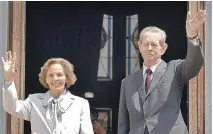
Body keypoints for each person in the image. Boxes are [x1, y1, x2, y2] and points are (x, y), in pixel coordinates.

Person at [117, 10, 206, 134]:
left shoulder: (175, 69)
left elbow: (194, 64)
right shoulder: (127, 82)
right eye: (146, 44)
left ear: (163, 48)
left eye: (154, 45)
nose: (149, 48)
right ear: (139, 46)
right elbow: (123, 123)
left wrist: (191, 36)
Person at [1, 53, 94, 134]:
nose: (55, 78)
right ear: (46, 79)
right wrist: (9, 80)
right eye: (51, 75)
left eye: (59, 74)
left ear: (67, 77)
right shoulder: (34, 101)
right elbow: (12, 107)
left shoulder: (80, 104)